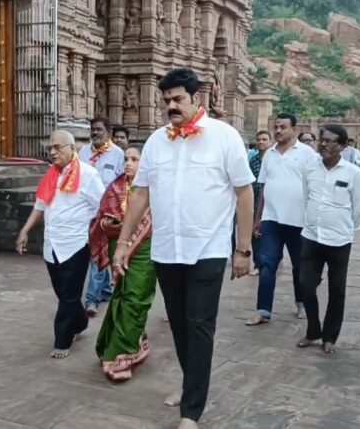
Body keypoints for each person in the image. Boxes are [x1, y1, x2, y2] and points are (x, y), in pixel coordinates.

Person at [113, 68, 254, 429]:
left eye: (178, 99)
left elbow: (243, 191)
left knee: (199, 323)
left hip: (207, 249)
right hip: (166, 250)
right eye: (166, 101)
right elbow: (141, 194)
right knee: (178, 324)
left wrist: (243, 249)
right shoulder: (158, 141)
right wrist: (124, 243)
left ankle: (191, 411)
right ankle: (191, 382)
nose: (171, 106)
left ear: (197, 100)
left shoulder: (225, 137)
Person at [16, 130, 105, 358]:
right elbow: (40, 205)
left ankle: (62, 341)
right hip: (52, 245)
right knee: (63, 293)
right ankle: (81, 321)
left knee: (68, 295)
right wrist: (25, 230)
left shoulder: (88, 175)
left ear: (72, 149)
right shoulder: (50, 175)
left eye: (57, 147)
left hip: (75, 245)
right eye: (50, 148)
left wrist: (93, 234)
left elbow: (101, 206)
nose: (52, 152)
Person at [296, 124, 360, 354]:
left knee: (337, 290)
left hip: (339, 241)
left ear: (343, 146)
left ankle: (330, 337)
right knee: (306, 284)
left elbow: (359, 209)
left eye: (330, 141)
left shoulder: (353, 173)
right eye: (322, 140)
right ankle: (313, 330)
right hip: (311, 237)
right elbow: (307, 197)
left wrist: (345, 228)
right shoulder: (310, 168)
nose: (324, 145)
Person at [90, 144, 155, 382]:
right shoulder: (115, 187)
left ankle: (124, 354)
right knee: (121, 295)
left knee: (136, 297)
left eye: (135, 159)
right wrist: (109, 225)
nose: (128, 163)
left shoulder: (154, 189)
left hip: (146, 248)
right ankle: (117, 345)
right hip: (117, 246)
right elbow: (100, 219)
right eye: (126, 159)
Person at [247, 113, 317, 326]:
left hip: (298, 220)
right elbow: (263, 188)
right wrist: (257, 219)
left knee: (299, 266)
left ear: (294, 129)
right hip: (271, 219)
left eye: (283, 127)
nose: (278, 131)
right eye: (276, 127)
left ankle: (301, 302)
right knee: (267, 265)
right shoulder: (269, 155)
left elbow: (315, 187)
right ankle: (263, 310)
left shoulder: (307, 154)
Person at [79, 117, 126, 316]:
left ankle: (91, 300)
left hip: (107, 214)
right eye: (93, 129)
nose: (95, 133)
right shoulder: (83, 152)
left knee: (97, 255)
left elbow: (124, 184)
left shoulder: (117, 154)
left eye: (99, 129)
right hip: (85, 212)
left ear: (108, 131)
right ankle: (105, 290)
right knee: (96, 254)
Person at [248, 130, 273, 276]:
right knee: (255, 234)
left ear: (270, 142)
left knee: (269, 233)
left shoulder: (274, 159)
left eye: (264, 139)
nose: (261, 142)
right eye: (259, 139)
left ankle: (270, 260)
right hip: (256, 201)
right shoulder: (254, 160)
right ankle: (258, 263)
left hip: (270, 202)